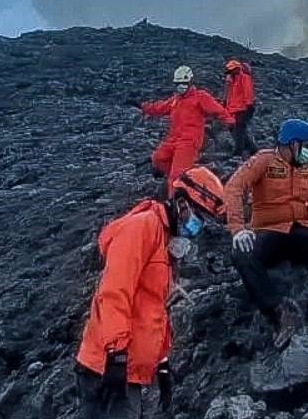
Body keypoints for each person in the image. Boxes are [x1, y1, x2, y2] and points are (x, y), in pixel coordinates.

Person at [73, 173, 222, 418]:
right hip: (106, 366)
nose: (198, 227)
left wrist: (161, 365)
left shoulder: (165, 240)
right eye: (199, 217)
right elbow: (114, 291)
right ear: (182, 203)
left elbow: (154, 311)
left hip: (127, 369)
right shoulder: (142, 227)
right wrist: (116, 354)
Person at [225, 119, 308, 347]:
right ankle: (279, 312)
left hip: (301, 230)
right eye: (306, 145)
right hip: (269, 232)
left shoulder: (306, 167)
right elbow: (234, 187)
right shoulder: (264, 160)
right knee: (241, 253)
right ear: (292, 143)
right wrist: (238, 229)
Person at [138, 65, 234, 193]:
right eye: (177, 83)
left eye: (183, 83)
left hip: (189, 141)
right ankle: (187, 179)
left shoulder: (200, 97)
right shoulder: (176, 100)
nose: (180, 86)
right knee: (157, 158)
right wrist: (143, 106)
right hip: (173, 139)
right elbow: (160, 107)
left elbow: (217, 109)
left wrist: (229, 120)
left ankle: (175, 202)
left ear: (190, 82)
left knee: (175, 177)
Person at [223, 60, 258, 157]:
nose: (230, 73)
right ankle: (253, 149)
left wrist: (249, 106)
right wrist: (225, 105)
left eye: (231, 71)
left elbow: (248, 93)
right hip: (233, 109)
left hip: (242, 109)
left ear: (237, 69)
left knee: (239, 129)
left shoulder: (244, 78)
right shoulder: (231, 80)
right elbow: (229, 95)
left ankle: (238, 151)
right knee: (237, 130)